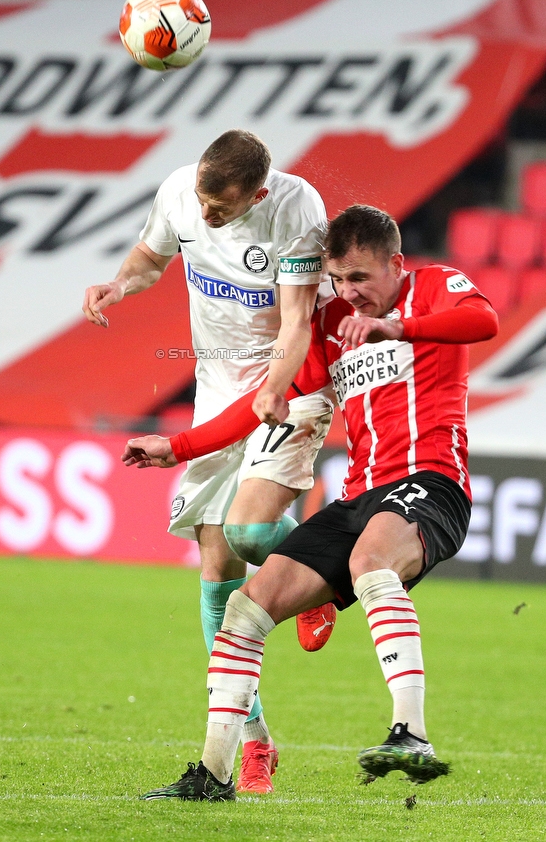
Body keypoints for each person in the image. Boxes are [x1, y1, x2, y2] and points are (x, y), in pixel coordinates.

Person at [134, 204, 499, 801]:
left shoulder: (433, 287)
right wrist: (177, 447)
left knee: (371, 564)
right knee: (247, 608)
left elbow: (481, 321)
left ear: (396, 265)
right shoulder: (331, 326)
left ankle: (411, 734)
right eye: (337, 279)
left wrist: (398, 328)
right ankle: (214, 772)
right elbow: (264, 398)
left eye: (360, 278)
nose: (348, 293)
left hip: (430, 483)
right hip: (360, 495)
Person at [82, 129, 335, 793]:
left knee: (253, 535)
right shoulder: (180, 193)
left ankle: (320, 570)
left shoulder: (296, 209)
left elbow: (298, 321)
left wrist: (276, 390)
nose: (208, 215)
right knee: (219, 565)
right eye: (202, 200)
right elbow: (150, 254)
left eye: (221, 210)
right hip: (216, 390)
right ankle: (251, 745)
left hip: (292, 383)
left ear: (256, 195)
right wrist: (118, 285)